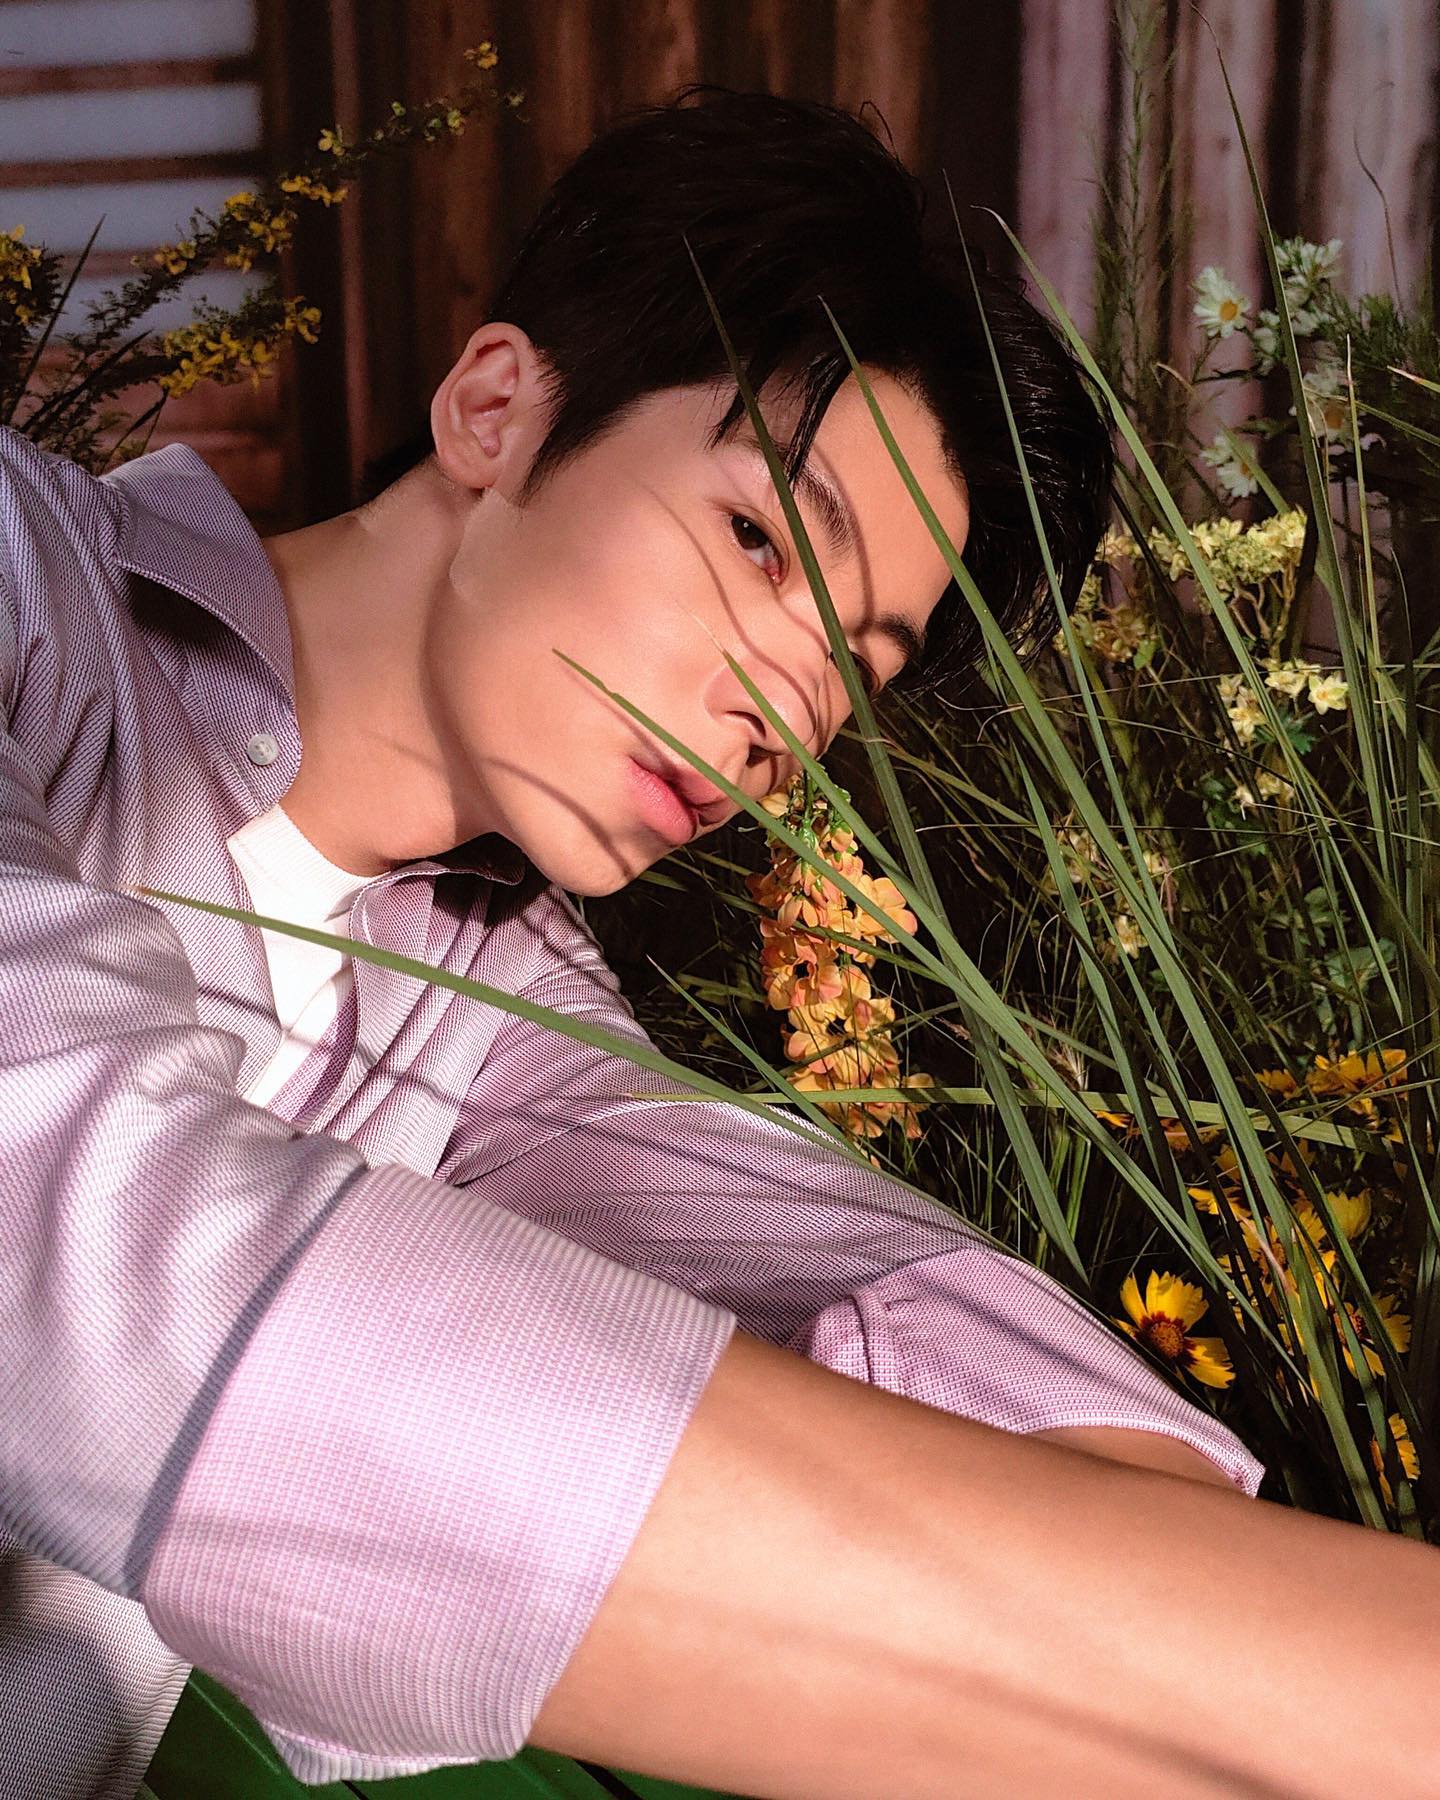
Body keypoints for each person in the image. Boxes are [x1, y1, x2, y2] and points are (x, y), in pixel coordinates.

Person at [1, 86, 1435, 1800]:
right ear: (497, 408)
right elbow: (83, 1250)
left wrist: (1192, 1579)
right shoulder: (20, 585)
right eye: (760, 542)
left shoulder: (498, 1004)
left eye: (856, 671)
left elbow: (858, 1266)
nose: (785, 712)